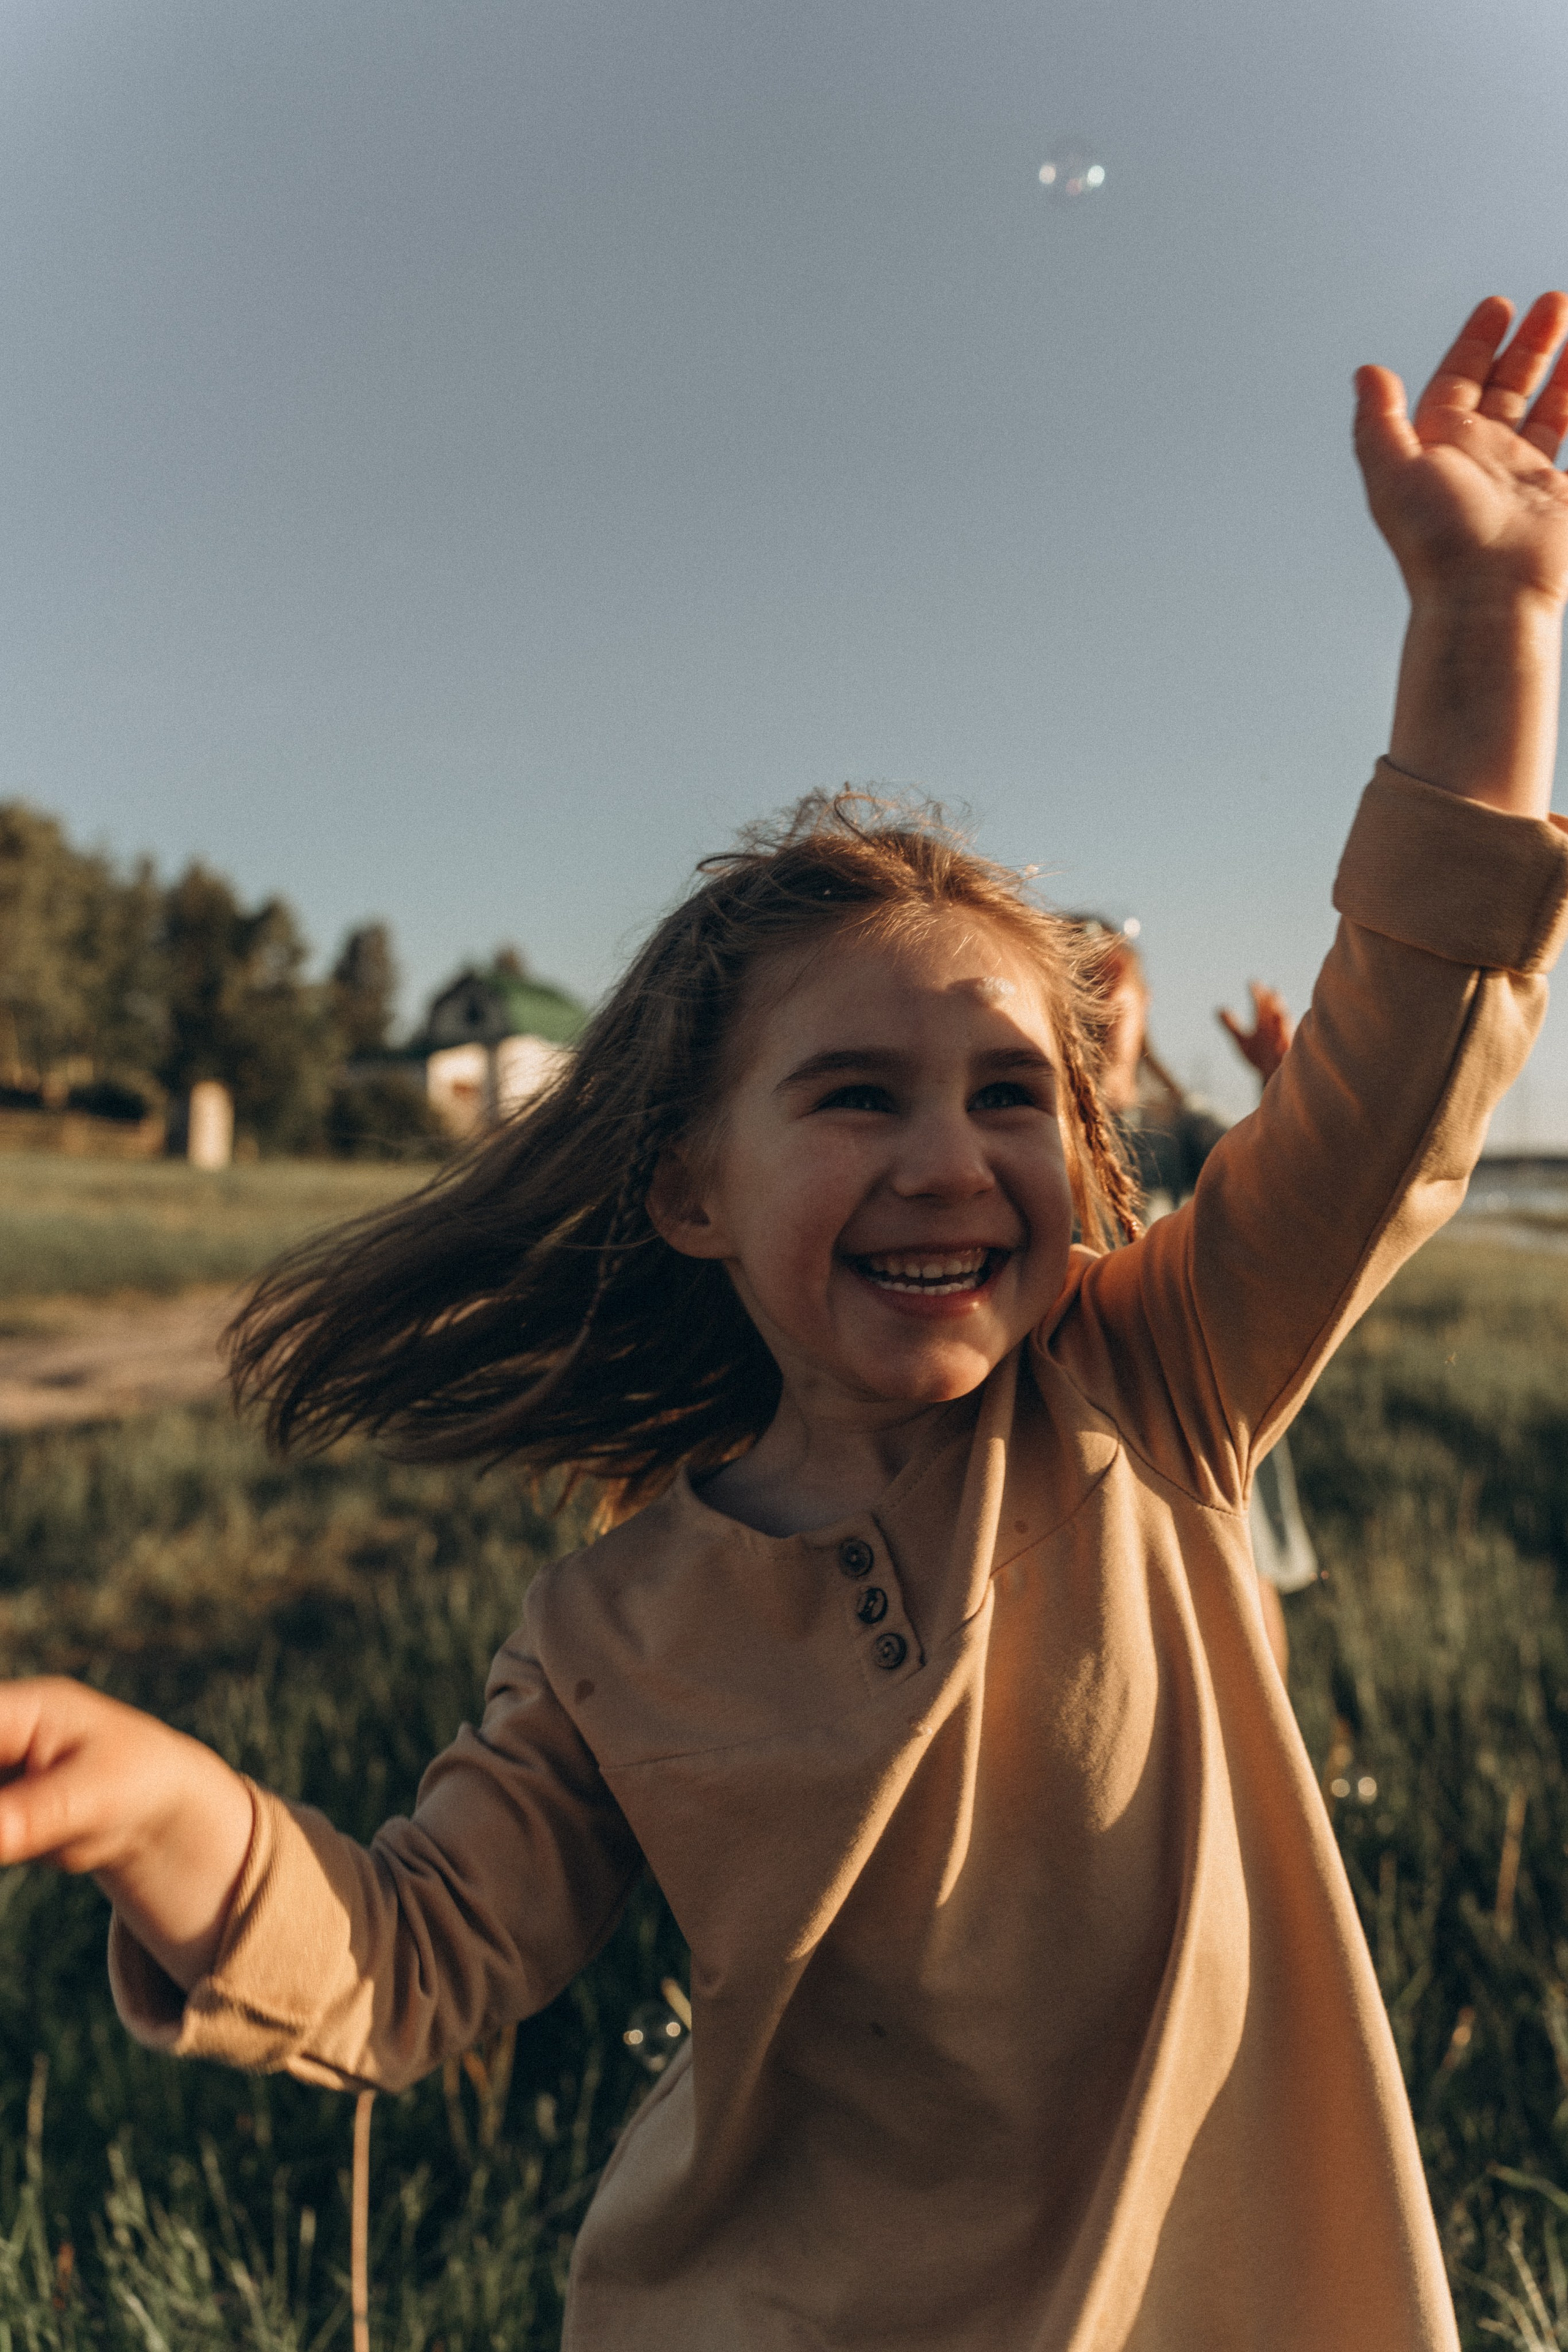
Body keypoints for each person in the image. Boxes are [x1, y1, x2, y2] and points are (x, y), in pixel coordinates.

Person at [3, 293, 1568, 2352]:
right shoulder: (611, 1632)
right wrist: (153, 1810)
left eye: (1011, 1096)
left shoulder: (1150, 1390)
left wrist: (1484, 630)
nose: (950, 1157)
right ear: (689, 1191)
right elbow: (410, 1959)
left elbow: (1388, 1076)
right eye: (858, 1096)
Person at [1080, 924, 1319, 1673]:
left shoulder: (1180, 1129)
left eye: (1114, 989)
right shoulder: (1034, 1130)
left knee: (1243, 1589)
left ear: (1145, 1005)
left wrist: (1283, 1090)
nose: (1101, 1009)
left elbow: (1279, 1182)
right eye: (1080, 989)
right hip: (1097, 1403)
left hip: (1203, 1392)